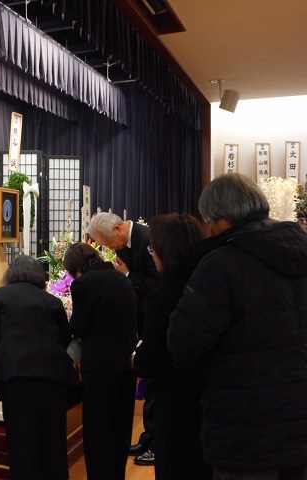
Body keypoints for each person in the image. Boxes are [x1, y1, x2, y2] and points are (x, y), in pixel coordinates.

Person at [168, 173, 307, 480]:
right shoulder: (301, 249)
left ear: (223, 218)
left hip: (246, 427)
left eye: (210, 220)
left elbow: (184, 344)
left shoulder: (221, 264)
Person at [0, 255, 80, 480]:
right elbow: (64, 339)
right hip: (53, 378)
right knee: (53, 440)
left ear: (11, 274)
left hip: (16, 377)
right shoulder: (51, 301)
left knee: (21, 440)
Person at [133, 214, 211, 480]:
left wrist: (137, 358)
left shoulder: (162, 297)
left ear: (167, 251)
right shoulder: (213, 285)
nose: (152, 256)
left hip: (176, 403)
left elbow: (150, 359)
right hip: (213, 401)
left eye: (153, 249)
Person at [88, 212, 160, 465]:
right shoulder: (124, 242)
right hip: (141, 319)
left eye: (109, 244)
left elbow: (159, 283)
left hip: (157, 319)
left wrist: (128, 276)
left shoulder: (148, 238)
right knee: (148, 382)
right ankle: (148, 437)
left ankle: (156, 442)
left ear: (118, 229)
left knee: (154, 385)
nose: (110, 249)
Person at [63, 242, 137, 480]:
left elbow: (80, 326)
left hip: (100, 367)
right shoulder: (121, 278)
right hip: (127, 364)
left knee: (98, 431)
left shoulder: (84, 284)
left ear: (75, 267)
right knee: (121, 427)